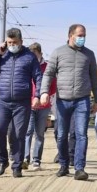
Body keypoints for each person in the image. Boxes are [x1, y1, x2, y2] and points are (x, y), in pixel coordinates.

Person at [40, 23, 97, 181]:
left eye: (84, 35)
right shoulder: (58, 53)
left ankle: (80, 168)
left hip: (82, 100)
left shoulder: (89, 54)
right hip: (62, 101)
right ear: (70, 35)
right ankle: (63, 164)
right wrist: (44, 92)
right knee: (61, 135)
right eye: (80, 35)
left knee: (81, 134)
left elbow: (95, 78)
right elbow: (48, 74)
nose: (82, 38)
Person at [0, 28, 42, 178]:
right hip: (3, 101)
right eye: (9, 42)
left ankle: (17, 166)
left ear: (21, 42)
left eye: (14, 42)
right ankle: (2, 161)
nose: (12, 45)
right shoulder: (2, 56)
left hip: (22, 103)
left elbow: (38, 77)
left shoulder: (29, 57)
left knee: (18, 135)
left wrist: (37, 95)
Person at [23, 42, 57, 171]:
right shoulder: (26, 66)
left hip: (43, 106)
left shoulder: (47, 67)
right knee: (28, 132)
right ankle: (26, 159)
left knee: (39, 133)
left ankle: (36, 160)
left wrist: (46, 96)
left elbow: (53, 84)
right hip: (29, 104)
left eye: (35, 55)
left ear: (40, 54)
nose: (33, 57)